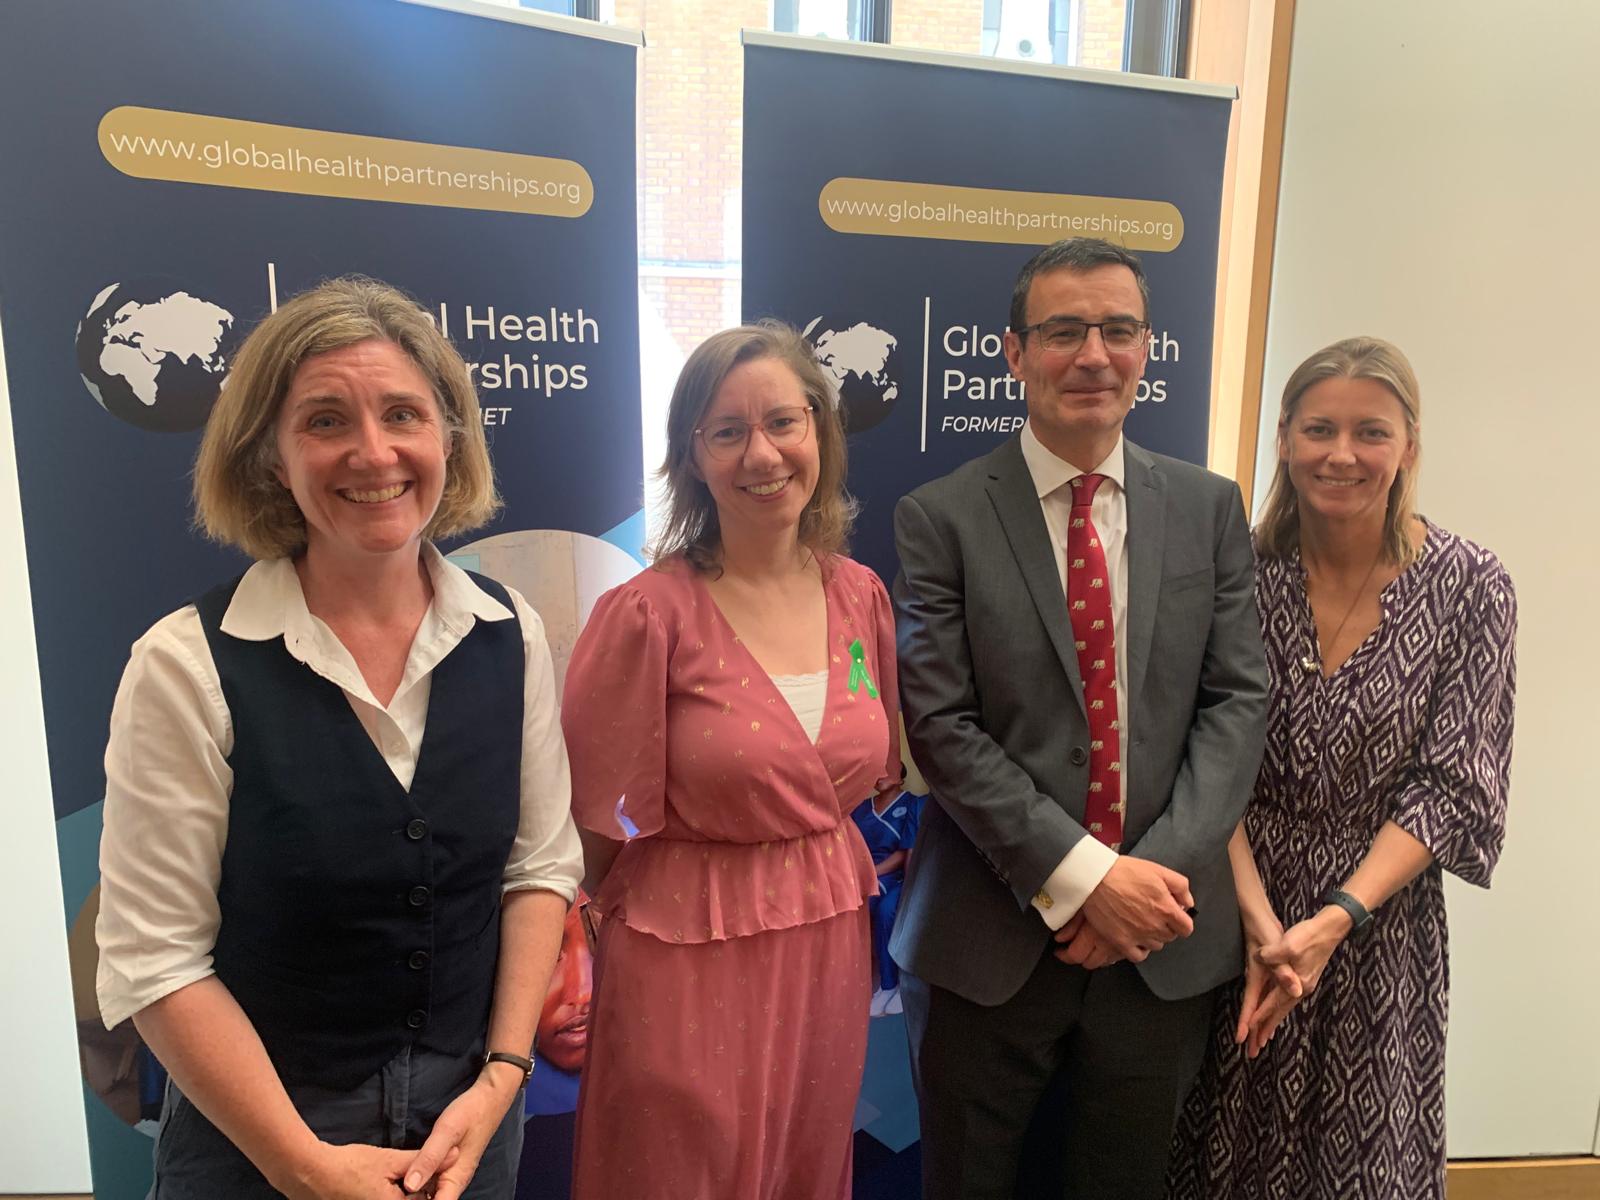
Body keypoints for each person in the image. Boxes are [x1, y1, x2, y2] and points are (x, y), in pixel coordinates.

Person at [94, 277, 583, 1200]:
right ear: (272, 457)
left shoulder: (509, 633)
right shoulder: (186, 665)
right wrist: (302, 1166)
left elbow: (538, 869)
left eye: (405, 413)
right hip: (258, 1146)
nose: (374, 452)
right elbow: (154, 959)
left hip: (468, 1132)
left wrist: (503, 1075)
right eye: (325, 421)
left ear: (449, 438)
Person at [890, 237, 1269, 1199]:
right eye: (1063, 331)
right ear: (1014, 353)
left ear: (1148, 347)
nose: (1093, 354)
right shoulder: (939, 517)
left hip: (1162, 951)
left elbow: (1236, 703)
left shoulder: (1210, 506)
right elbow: (941, 725)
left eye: (1119, 329)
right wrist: (1085, 879)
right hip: (987, 945)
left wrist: (1145, 889)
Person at [1167, 337, 1517, 1199]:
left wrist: (1330, 921)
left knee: (1364, 1169)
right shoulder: (1235, 571)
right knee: (1218, 1158)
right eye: (1319, 428)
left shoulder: (1473, 587)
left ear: (1409, 446)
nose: (1342, 454)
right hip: (1234, 911)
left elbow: (1456, 785)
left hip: (1377, 926)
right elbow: (1204, 747)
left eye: (1371, 431)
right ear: (1283, 438)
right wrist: (1256, 916)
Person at [561, 322, 902, 1200]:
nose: (763, 454)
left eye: (783, 423)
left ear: (820, 434)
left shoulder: (860, 595)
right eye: (728, 432)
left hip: (827, 932)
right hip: (684, 946)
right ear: (694, 456)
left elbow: (879, 769)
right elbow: (593, 829)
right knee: (679, 1171)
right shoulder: (646, 615)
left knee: (805, 1160)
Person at [849, 791, 923, 1016]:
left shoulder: (912, 803)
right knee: (862, 908)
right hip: (868, 876)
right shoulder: (861, 807)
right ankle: (886, 984)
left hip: (897, 877)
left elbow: (904, 854)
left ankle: (902, 984)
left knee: (888, 909)